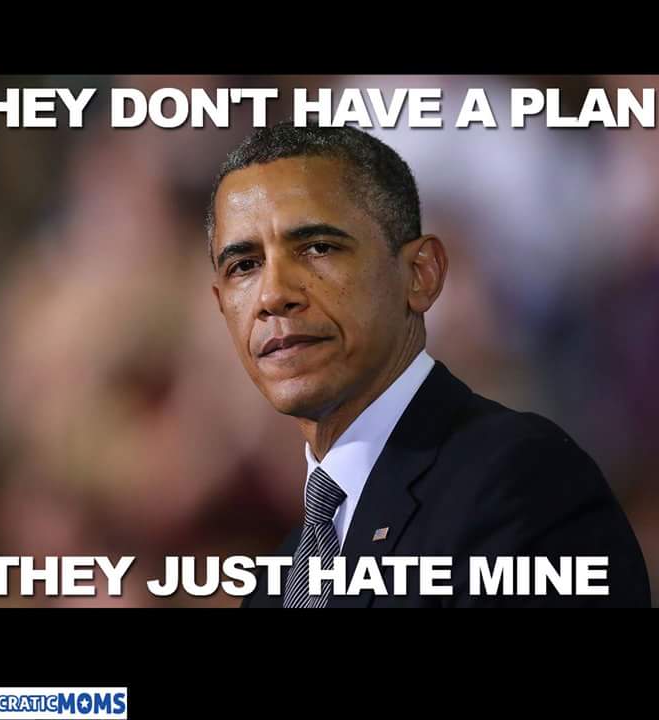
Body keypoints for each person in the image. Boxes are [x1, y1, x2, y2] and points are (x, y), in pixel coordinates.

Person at [206, 120, 651, 608]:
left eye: (318, 248)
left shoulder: (521, 482)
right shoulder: (276, 585)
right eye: (244, 266)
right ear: (221, 304)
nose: (273, 295)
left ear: (421, 274)